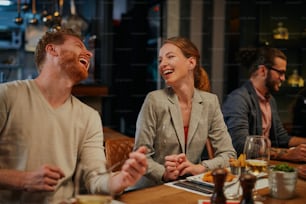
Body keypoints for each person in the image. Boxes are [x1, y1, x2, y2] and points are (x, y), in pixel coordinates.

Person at [0, 28, 147, 203]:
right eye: (78, 45)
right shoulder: (7, 96)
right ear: (52, 50)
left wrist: (121, 180)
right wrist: (23, 180)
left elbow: (95, 179)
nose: (89, 54)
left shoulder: (89, 117)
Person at [132, 36, 236, 189]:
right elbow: (141, 156)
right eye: (160, 60)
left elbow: (229, 154)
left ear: (191, 62)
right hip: (152, 188)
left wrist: (200, 168)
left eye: (170, 57)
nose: (162, 64)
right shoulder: (154, 100)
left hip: (189, 187)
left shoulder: (210, 102)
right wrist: (164, 173)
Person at [222, 47, 306, 162]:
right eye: (280, 72)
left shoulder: (270, 100)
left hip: (264, 165)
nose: (283, 78)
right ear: (263, 71)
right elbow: (241, 145)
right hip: (244, 171)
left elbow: (282, 138)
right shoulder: (238, 99)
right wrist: (286, 154)